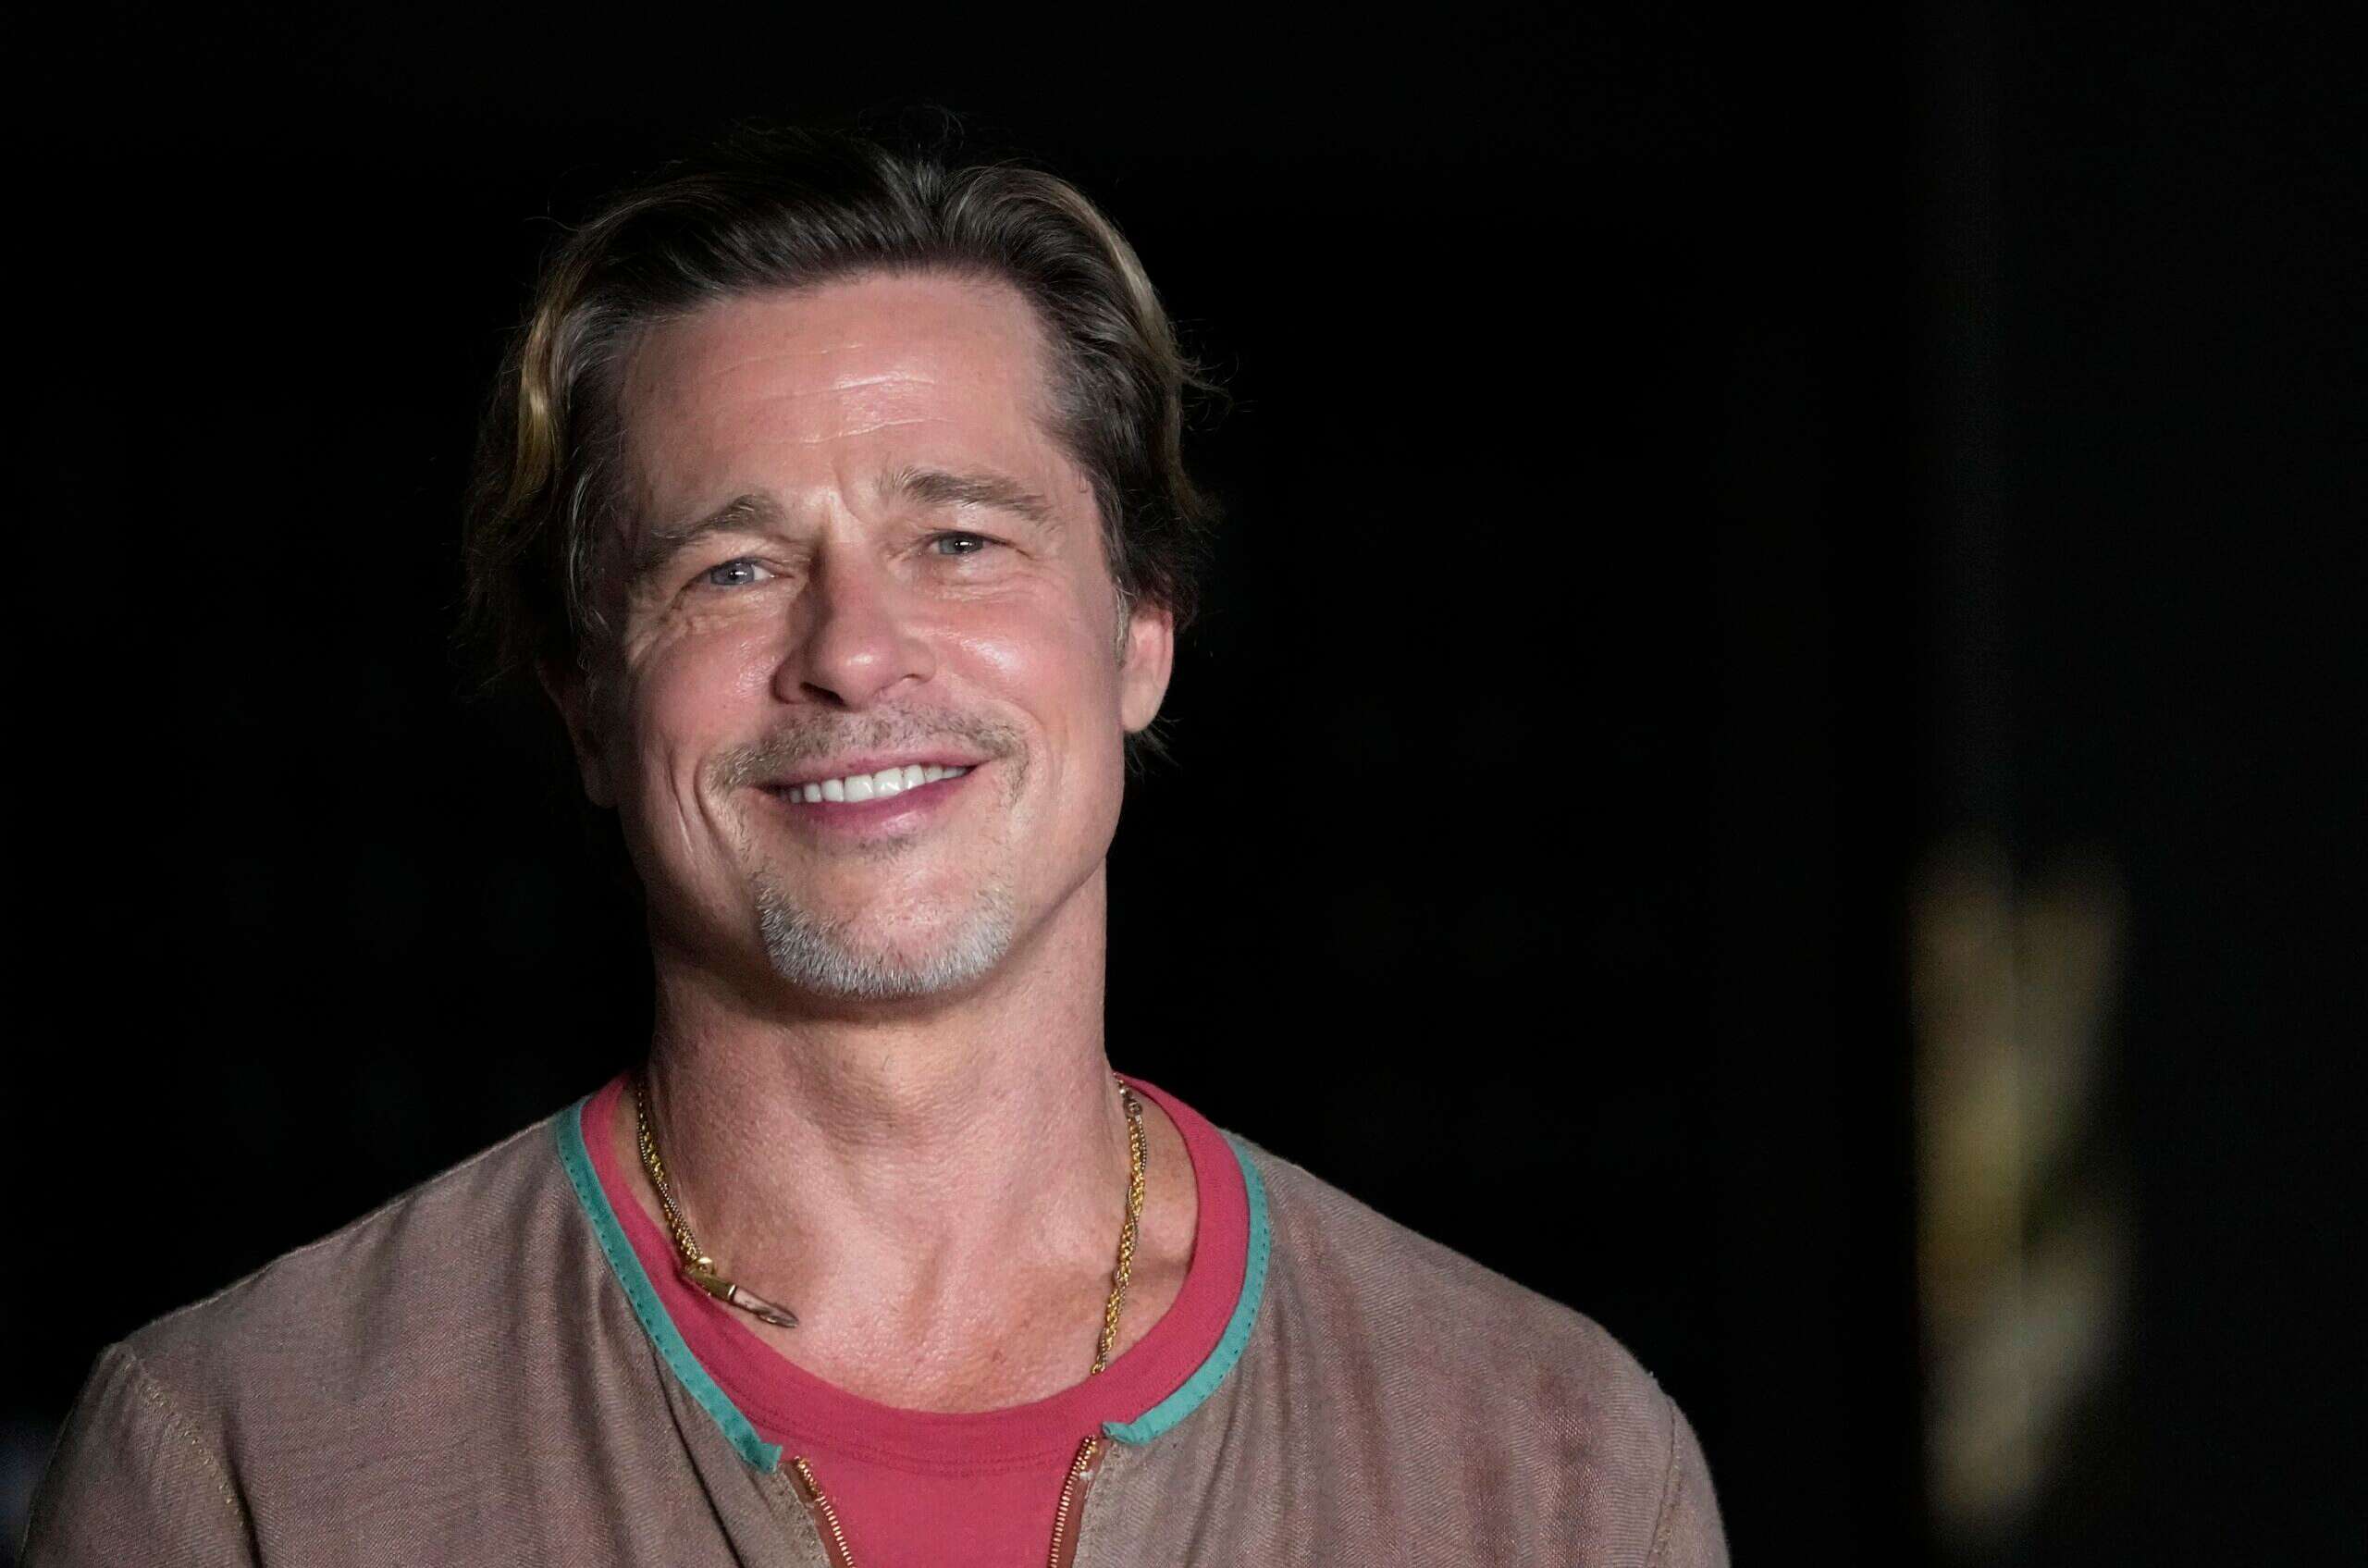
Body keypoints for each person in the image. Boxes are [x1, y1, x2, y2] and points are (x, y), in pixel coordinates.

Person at [23, 128, 1726, 1566]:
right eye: (733, 569)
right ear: (587, 707)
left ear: (1143, 630)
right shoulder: (250, 1456)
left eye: (961, 538)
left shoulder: (1549, 1464)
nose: (851, 652)